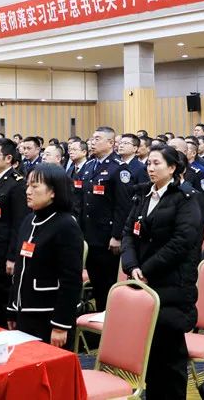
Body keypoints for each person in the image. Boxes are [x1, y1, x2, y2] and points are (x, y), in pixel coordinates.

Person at [120, 145, 199, 400]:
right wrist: (132, 266)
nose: (150, 168)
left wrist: (146, 269)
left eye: (157, 164)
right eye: (149, 164)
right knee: (151, 354)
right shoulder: (143, 195)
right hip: (144, 282)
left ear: (172, 168)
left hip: (172, 284)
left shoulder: (186, 198)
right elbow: (128, 233)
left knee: (171, 358)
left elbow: (181, 242)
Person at [6, 163, 83, 347]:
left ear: (53, 192)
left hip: (49, 316)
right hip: (25, 310)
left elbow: (71, 280)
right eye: (27, 186)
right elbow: (20, 269)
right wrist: (12, 308)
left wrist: (61, 325)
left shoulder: (66, 225)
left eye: (35, 186)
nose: (28, 191)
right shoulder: (29, 220)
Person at [77, 126, 132, 312]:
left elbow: (123, 206)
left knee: (106, 283)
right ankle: (98, 317)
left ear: (110, 143)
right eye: (92, 138)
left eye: (97, 139)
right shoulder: (89, 166)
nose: (92, 142)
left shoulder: (119, 168)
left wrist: (117, 235)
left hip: (106, 236)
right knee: (96, 280)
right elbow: (81, 200)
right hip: (88, 233)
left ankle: (108, 319)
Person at [0, 138, 30, 328]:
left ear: (8, 158)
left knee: (3, 298)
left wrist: (12, 256)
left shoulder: (17, 184)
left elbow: (19, 225)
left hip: (4, 252)